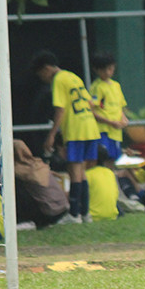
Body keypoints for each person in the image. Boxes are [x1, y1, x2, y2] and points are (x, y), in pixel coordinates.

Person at [31, 50, 100, 224]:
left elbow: (60, 109)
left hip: (76, 129)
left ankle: (74, 214)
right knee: (81, 171)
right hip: (90, 126)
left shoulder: (58, 80)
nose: (43, 79)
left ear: (46, 69)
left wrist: (52, 135)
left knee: (75, 171)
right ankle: (85, 214)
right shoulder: (73, 77)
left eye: (41, 75)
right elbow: (90, 103)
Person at [13, 139, 69, 228]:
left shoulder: (19, 170)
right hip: (62, 209)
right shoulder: (39, 163)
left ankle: (22, 220)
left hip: (49, 214)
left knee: (15, 189)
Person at [89, 51, 129, 168]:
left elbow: (120, 106)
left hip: (116, 132)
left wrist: (123, 119)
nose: (107, 72)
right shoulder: (96, 87)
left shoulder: (116, 85)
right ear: (96, 70)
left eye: (110, 69)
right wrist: (110, 122)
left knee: (113, 160)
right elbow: (91, 110)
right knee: (102, 159)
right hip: (103, 131)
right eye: (103, 70)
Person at [87, 145, 121, 221]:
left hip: (93, 216)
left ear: (93, 160)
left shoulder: (88, 174)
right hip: (112, 216)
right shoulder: (110, 173)